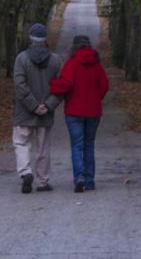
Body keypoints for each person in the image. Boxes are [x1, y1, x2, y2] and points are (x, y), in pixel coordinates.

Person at [50, 34, 109, 193]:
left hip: (74, 111)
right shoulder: (97, 65)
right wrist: (97, 97)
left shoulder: (71, 63)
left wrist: (52, 85)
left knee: (77, 146)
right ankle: (90, 180)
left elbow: (65, 84)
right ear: (89, 46)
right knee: (89, 145)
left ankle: (79, 177)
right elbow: (104, 84)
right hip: (93, 111)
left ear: (74, 47)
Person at [12, 22, 63, 193]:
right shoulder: (55, 60)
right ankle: (42, 181)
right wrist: (47, 105)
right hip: (45, 114)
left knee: (21, 142)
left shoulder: (21, 59)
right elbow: (60, 88)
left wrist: (32, 105)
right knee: (43, 147)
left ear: (30, 38)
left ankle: (25, 172)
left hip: (24, 112)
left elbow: (20, 85)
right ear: (45, 39)